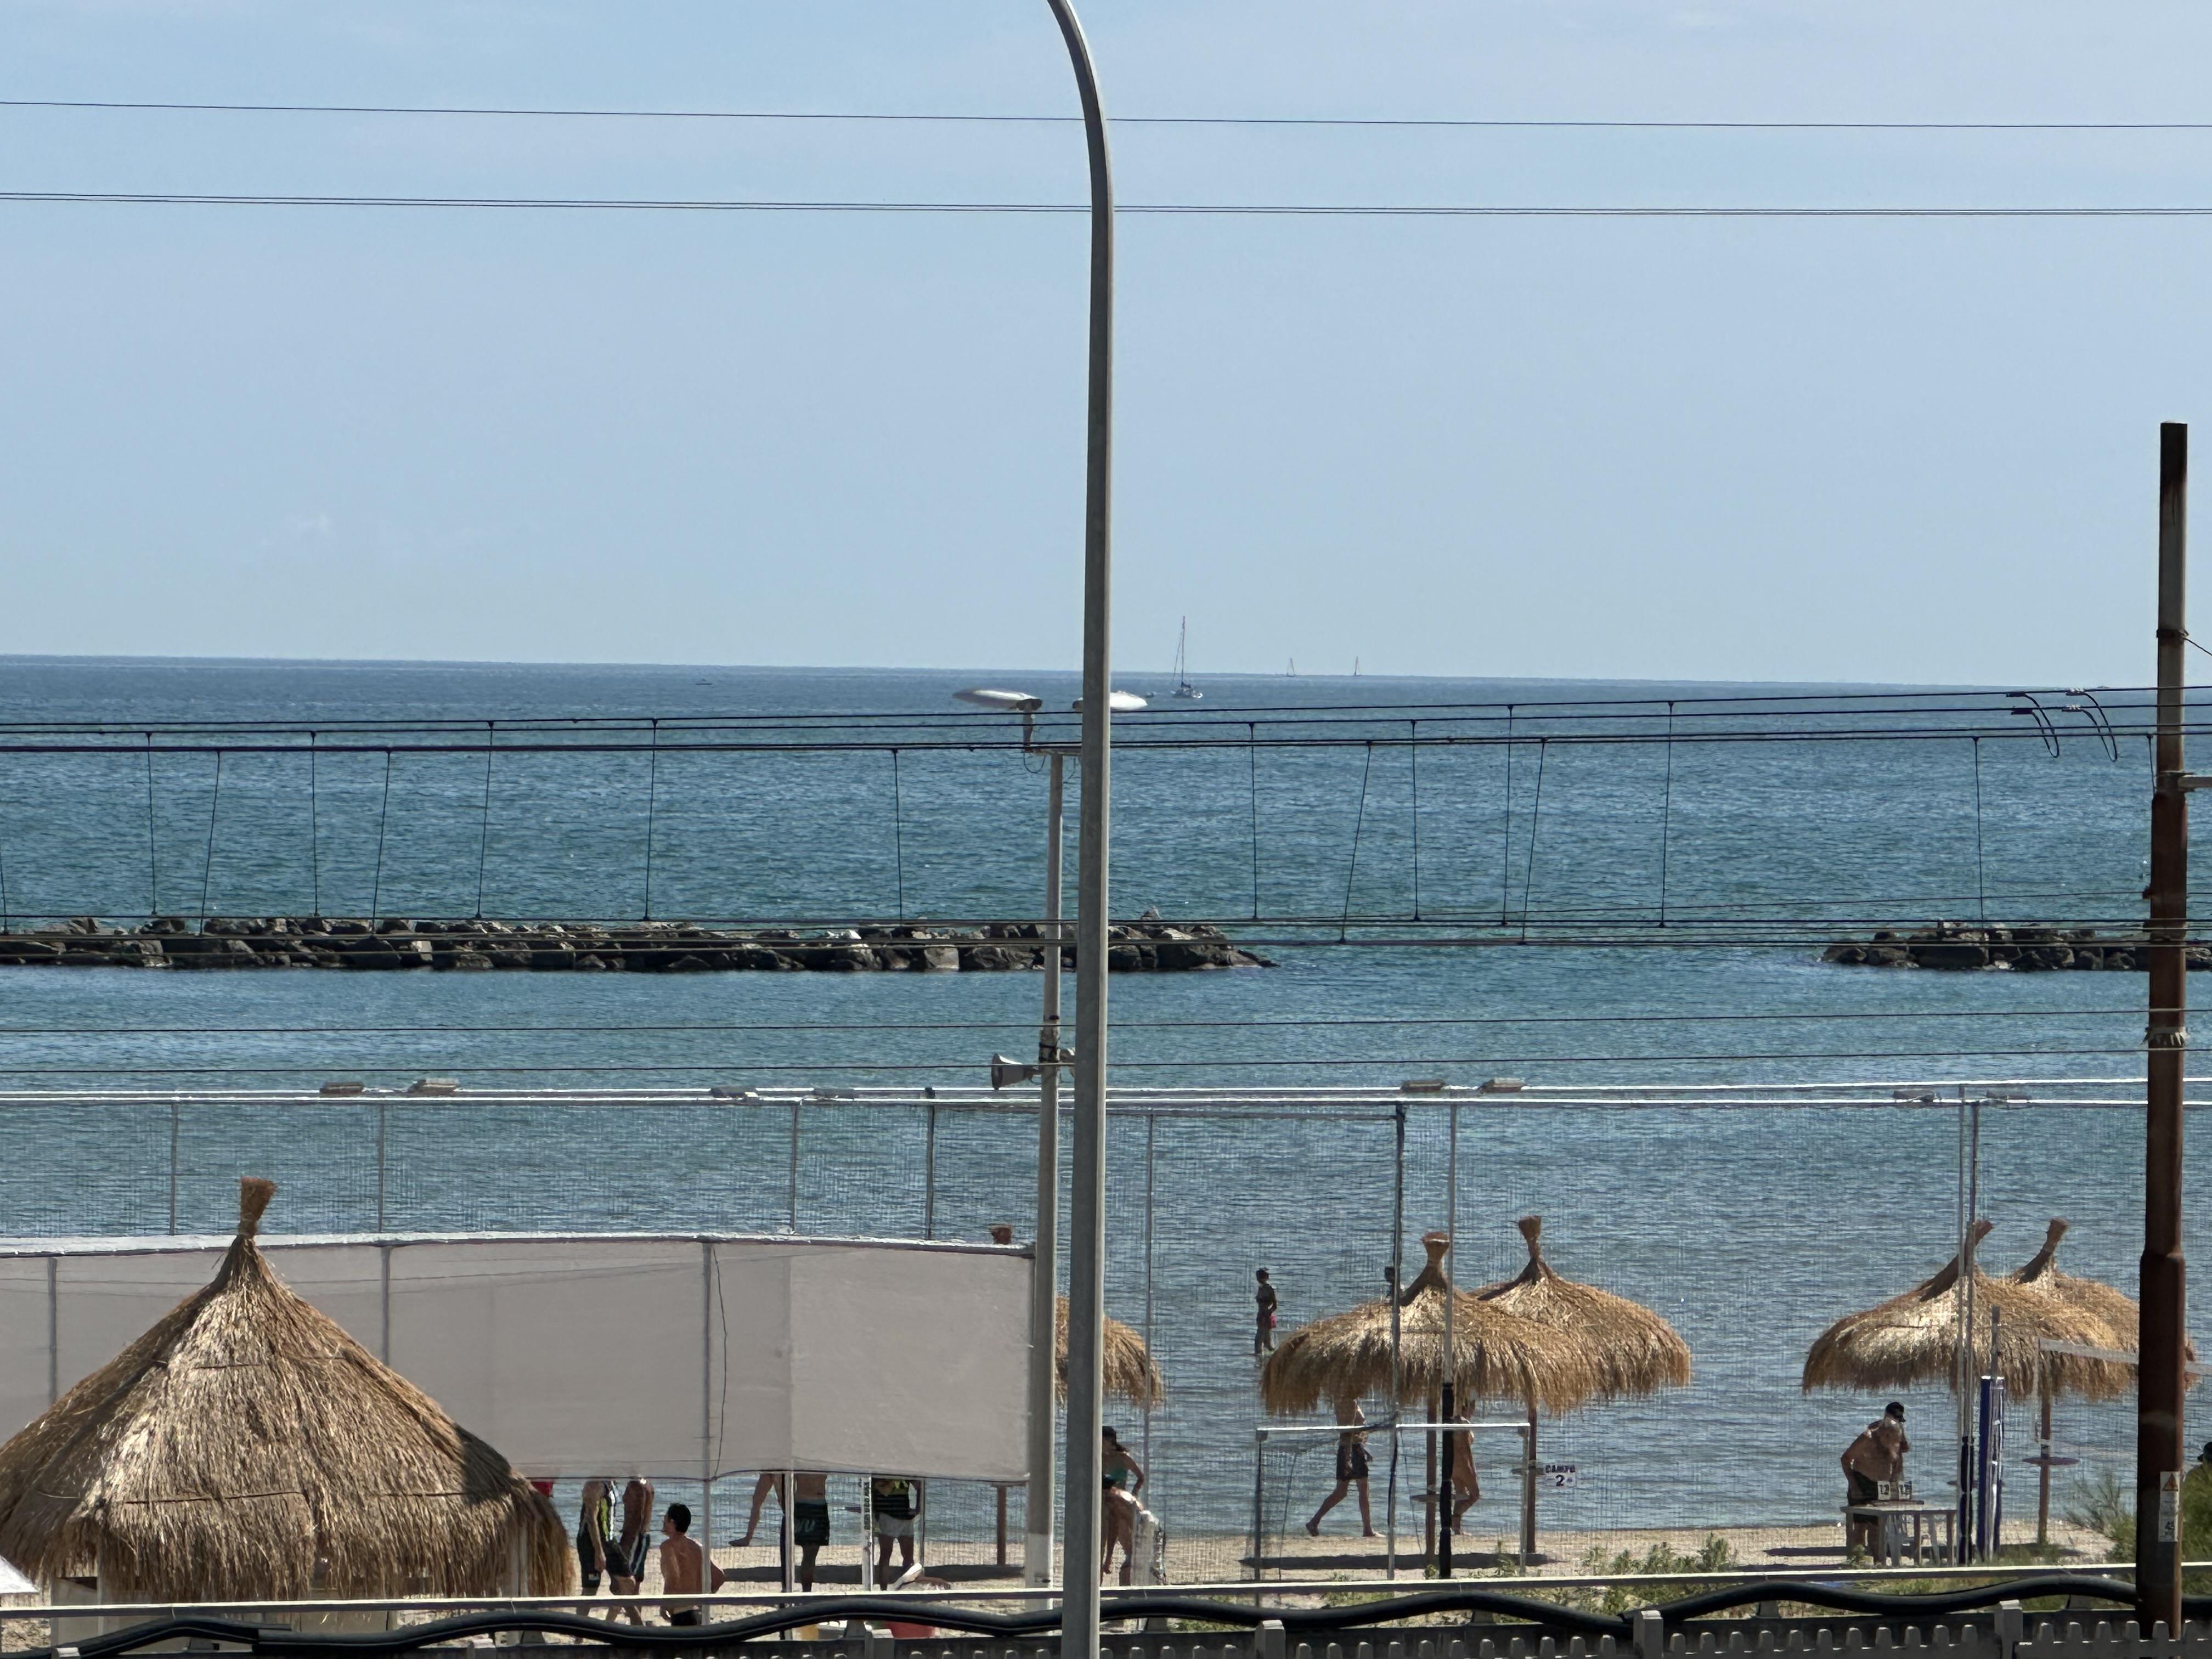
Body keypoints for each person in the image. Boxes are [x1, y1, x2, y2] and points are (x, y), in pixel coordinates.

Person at [1841, 1401, 1909, 1555]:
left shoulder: (1895, 1439)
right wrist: (1854, 1485)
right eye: (1890, 1436)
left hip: (1881, 1484)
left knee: (1877, 1527)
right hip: (1861, 1481)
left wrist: (1894, 1481)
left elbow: (1900, 1457)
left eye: (1896, 1436)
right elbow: (1846, 1459)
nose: (1893, 1440)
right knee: (1859, 1527)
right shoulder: (1868, 1437)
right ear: (1883, 1432)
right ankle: (1857, 1560)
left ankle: (1878, 1562)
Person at [1306, 1405, 1376, 1537]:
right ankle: (1368, 1530)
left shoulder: (1349, 1402)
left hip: (1352, 1449)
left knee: (1341, 1492)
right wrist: (1349, 1456)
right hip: (1352, 1450)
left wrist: (1363, 1450)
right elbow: (1348, 1431)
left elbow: (1353, 1433)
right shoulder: (1347, 1403)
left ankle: (1314, 1521)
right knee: (1363, 1490)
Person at [658, 1502, 727, 1627]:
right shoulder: (697, 1546)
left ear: (672, 1523)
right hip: (699, 1609)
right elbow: (719, 1577)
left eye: (666, 1518)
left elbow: (673, 1578)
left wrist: (665, 1605)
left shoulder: (668, 1547)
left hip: (681, 1612)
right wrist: (704, 1595)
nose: (663, 1521)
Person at [1099, 1426, 1147, 1584]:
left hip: (1119, 1501)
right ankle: (1101, 1571)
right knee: (1101, 1541)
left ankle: (1118, 1569)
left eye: (1102, 1440)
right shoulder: (1098, 1457)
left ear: (1109, 1440)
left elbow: (1140, 1477)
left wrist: (1134, 1494)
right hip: (1102, 1501)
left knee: (1124, 1540)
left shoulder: (1123, 1458)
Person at [608, 1476, 654, 1624]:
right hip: (641, 1536)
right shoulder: (647, 1485)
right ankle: (635, 1624)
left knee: (626, 1583)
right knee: (634, 1585)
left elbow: (637, 1516)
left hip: (635, 1536)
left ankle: (614, 1623)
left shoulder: (636, 1486)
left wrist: (627, 1541)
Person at [576, 1477, 617, 1608]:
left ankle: (614, 1624)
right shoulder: (594, 1486)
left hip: (609, 1539)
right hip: (591, 1543)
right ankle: (580, 1625)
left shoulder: (611, 1482)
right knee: (590, 1589)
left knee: (627, 1584)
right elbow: (591, 1519)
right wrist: (598, 1551)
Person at [872, 1474, 918, 1577]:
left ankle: (886, 1589)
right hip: (895, 1517)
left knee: (893, 1556)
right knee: (889, 1556)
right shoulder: (900, 1469)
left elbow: (918, 1485)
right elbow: (884, 1491)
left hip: (895, 1517)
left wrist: (918, 1508)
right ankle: (885, 1589)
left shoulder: (884, 1470)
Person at [1255, 1269, 1279, 1355]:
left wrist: (1268, 1313)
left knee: (1259, 1340)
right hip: (1260, 1315)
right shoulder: (1260, 1288)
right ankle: (1271, 1356)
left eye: (1260, 1277)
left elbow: (1275, 1305)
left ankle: (1260, 1358)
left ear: (1266, 1278)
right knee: (1266, 1342)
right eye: (1258, 1277)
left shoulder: (1269, 1289)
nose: (1259, 1279)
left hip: (1266, 1316)